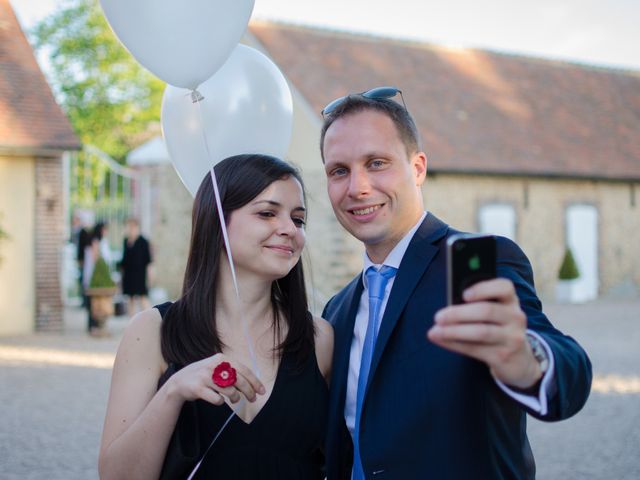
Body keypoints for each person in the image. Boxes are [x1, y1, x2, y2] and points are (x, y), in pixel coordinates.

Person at [319, 87, 592, 479]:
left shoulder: (480, 262)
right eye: (339, 171)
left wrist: (525, 360)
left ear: (417, 168)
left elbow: (567, 366)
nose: (357, 187)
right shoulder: (338, 309)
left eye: (376, 163)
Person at [99, 154, 334, 479]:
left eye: (298, 219)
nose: (289, 229)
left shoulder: (319, 338)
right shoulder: (152, 331)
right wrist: (173, 391)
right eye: (267, 213)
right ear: (216, 220)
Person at [119, 217, 152, 315]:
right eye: (129, 227)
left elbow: (148, 260)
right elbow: (124, 260)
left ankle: (149, 318)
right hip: (128, 275)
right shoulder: (126, 241)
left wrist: (150, 276)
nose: (131, 229)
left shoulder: (143, 241)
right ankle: (132, 322)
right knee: (130, 299)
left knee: (143, 298)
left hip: (140, 274)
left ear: (137, 227)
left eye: (133, 227)